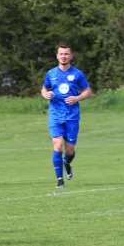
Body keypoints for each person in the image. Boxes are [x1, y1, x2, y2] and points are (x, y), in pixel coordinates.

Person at [41, 45, 92, 189]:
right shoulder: (51, 73)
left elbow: (88, 91)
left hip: (72, 116)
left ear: (71, 56)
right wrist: (46, 94)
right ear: (57, 56)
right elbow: (44, 88)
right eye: (61, 54)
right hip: (55, 115)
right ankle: (59, 180)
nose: (63, 56)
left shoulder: (77, 74)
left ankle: (67, 163)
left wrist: (78, 98)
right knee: (57, 145)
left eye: (66, 54)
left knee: (69, 151)